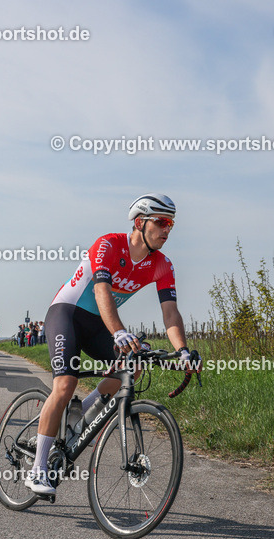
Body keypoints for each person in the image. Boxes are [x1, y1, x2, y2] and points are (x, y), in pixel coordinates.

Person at [26, 193, 198, 495]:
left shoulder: (161, 265)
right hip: (67, 313)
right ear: (139, 222)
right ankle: (37, 469)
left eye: (171, 224)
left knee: (133, 365)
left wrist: (182, 350)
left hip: (98, 324)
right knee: (64, 385)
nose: (167, 230)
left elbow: (170, 313)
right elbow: (102, 290)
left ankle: (84, 412)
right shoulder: (108, 244)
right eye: (161, 222)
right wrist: (119, 331)